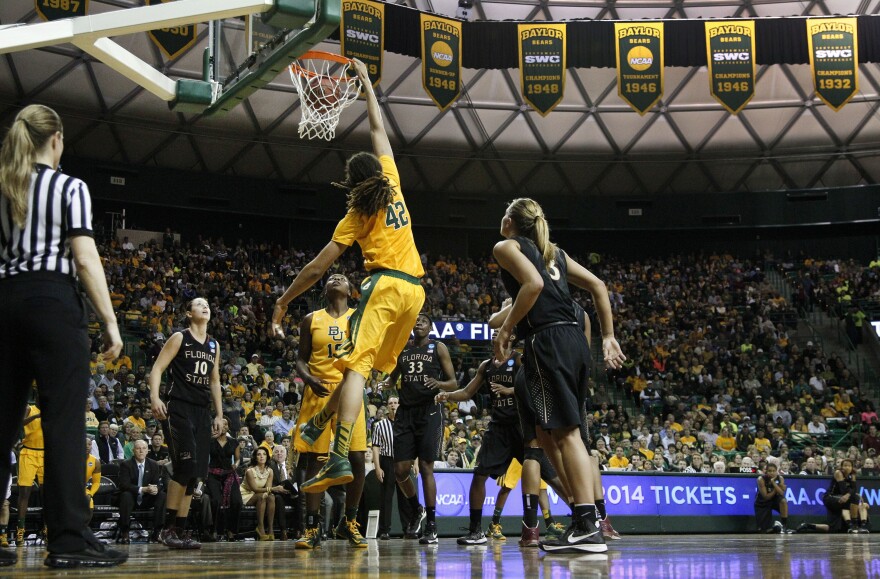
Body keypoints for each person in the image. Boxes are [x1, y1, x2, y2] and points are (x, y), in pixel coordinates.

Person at [271, 58, 425, 497]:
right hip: (416, 293)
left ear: (352, 184)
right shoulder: (392, 182)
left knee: (354, 370)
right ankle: (321, 420)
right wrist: (369, 90)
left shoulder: (357, 213)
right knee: (367, 368)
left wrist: (284, 300)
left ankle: (337, 453)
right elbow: (379, 132)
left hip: (385, 285)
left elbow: (318, 267)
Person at [492, 198, 625, 554]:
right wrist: (609, 336)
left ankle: (586, 523)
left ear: (509, 221)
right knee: (547, 432)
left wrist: (506, 330)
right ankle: (585, 518)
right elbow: (598, 285)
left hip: (547, 340)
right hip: (573, 340)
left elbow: (532, 285)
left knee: (565, 435)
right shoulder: (555, 253)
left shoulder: (505, 246)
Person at [292, 274, 368, 549]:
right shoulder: (311, 319)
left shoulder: (360, 316)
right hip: (319, 391)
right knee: (316, 459)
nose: (335, 278)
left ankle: (349, 523)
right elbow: (300, 359)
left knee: (358, 457)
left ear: (350, 290)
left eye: (342, 278)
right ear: (325, 290)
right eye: (331, 278)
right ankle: (312, 527)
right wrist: (309, 379)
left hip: (350, 390)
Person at [149, 297, 224, 550]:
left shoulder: (214, 345)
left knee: (195, 475)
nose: (206, 306)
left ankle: (180, 530)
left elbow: (214, 381)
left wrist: (219, 414)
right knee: (184, 467)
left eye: (208, 304)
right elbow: (157, 369)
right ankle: (166, 529)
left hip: (202, 410)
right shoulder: (179, 338)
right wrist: (155, 397)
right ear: (189, 313)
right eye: (199, 304)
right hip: (178, 407)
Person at [382, 314, 458, 544]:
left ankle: (432, 525)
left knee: (426, 467)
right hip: (405, 413)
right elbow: (392, 379)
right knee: (400, 470)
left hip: (429, 412)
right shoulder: (403, 350)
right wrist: (384, 383)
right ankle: (417, 509)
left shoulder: (439, 347)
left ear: (430, 327)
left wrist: (440, 384)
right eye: (415, 321)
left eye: (423, 321)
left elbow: (453, 382)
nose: (418, 323)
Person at [371, 396, 412, 539]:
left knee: (405, 497)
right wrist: (377, 467)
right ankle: (384, 530)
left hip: (403, 461)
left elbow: (413, 443)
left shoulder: (406, 423)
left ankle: (408, 528)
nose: (393, 405)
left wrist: (416, 463)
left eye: (395, 403)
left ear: (399, 405)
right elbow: (375, 447)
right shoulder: (380, 425)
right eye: (390, 403)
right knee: (386, 497)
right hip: (387, 461)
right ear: (387, 407)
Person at [799, 458, 870, 534]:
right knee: (855, 498)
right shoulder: (838, 473)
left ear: (852, 467)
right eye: (845, 465)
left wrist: (849, 494)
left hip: (840, 499)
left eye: (849, 466)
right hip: (830, 498)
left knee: (833, 528)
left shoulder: (852, 475)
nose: (847, 467)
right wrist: (850, 494)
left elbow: (854, 489)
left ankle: (807, 525)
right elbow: (844, 490)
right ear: (841, 467)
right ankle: (855, 526)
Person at [115, 440, 166, 545]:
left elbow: (158, 483)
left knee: (162, 495)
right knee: (126, 495)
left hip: (146, 498)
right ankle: (125, 532)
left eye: (144, 448)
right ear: (133, 451)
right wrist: (142, 489)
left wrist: (156, 489)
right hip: (131, 498)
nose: (141, 451)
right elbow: (124, 485)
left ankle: (157, 532)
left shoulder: (153, 464)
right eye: (138, 448)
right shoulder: (126, 464)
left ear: (148, 451)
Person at [205, 417, 242, 542]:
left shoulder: (234, 442)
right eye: (222, 424)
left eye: (226, 424)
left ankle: (232, 531)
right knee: (216, 501)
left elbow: (237, 459)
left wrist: (236, 465)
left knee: (237, 501)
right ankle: (215, 530)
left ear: (228, 427)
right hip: (213, 474)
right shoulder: (209, 441)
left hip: (229, 474)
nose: (224, 426)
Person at [15, 403, 45, 547]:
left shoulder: (52, 408)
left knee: (46, 494)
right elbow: (19, 423)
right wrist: (37, 416)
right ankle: (20, 529)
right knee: (24, 492)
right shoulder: (29, 408)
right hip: (28, 452)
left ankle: (46, 528)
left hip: (45, 453)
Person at [239, 447, 274, 540]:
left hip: (259, 493)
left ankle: (270, 529)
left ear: (267, 457)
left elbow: (268, 488)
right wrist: (275, 488)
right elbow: (254, 489)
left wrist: (269, 492)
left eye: (264, 454)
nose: (262, 456)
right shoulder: (250, 471)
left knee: (271, 497)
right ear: (255, 458)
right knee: (261, 497)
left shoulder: (270, 471)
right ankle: (260, 527)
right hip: (246, 493)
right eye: (259, 454)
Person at [754, 463, 794, 533]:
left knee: (783, 501)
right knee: (763, 530)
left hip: (775, 499)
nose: (772, 473)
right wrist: (776, 487)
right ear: (766, 471)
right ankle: (776, 528)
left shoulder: (780, 478)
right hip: (762, 502)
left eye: (774, 471)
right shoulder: (761, 479)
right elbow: (766, 497)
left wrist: (774, 483)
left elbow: (781, 493)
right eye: (770, 471)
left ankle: (784, 526)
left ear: (777, 471)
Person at [268, 445, 297, 541]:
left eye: (281, 451)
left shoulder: (293, 466)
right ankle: (283, 531)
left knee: (301, 499)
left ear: (286, 454)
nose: (279, 453)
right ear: (272, 454)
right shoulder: (269, 466)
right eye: (276, 451)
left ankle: (299, 530)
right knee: (278, 499)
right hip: (278, 493)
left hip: (292, 494)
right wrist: (277, 488)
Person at [84, 438, 101, 521]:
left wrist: (90, 494)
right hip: (68, 489)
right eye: (84, 444)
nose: (87, 446)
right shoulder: (71, 459)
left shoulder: (95, 462)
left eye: (89, 444)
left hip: (83, 490)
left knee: (89, 502)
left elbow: (96, 482)